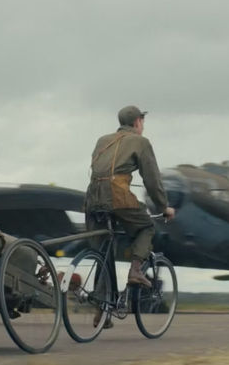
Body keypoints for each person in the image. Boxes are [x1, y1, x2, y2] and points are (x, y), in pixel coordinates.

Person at [84, 105, 175, 327]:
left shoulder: (102, 140)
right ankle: (136, 270)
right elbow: (151, 179)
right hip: (116, 195)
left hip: (92, 198)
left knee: (103, 253)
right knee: (145, 227)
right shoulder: (140, 142)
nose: (143, 125)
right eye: (142, 121)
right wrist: (164, 207)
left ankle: (101, 310)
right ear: (137, 122)